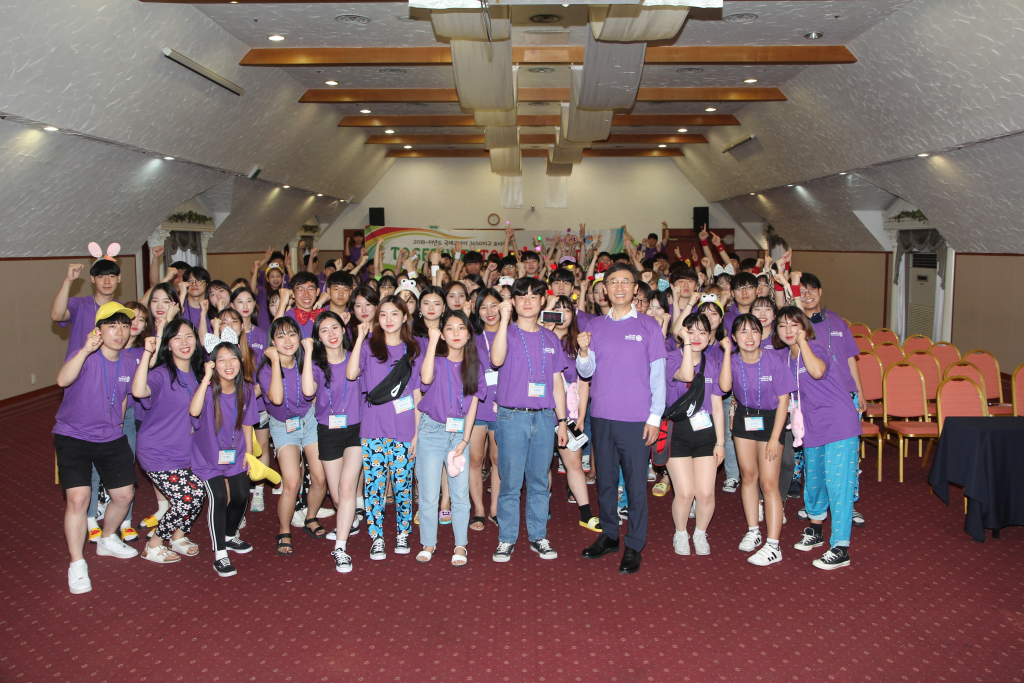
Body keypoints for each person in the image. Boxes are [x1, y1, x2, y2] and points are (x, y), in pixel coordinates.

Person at [576, 263, 666, 575]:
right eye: (613, 282)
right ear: (605, 288)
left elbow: (658, 376)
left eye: (625, 281)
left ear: (635, 288)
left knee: (636, 484)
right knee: (605, 480)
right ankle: (610, 535)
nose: (619, 287)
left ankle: (635, 544)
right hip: (602, 415)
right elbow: (586, 372)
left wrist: (655, 417)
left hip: (637, 419)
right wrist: (583, 352)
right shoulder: (595, 325)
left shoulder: (649, 326)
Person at [55, 302, 140, 594]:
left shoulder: (129, 362)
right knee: (79, 499)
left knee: (124, 495)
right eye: (112, 326)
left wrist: (117, 426)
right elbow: (62, 380)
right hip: (73, 436)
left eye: (124, 326)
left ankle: (106, 538)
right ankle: (77, 563)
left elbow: (123, 397)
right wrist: (84, 351)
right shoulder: (85, 356)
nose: (119, 332)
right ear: (99, 330)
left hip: (110, 436)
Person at [489, 278, 569, 563]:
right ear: (513, 301)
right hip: (512, 417)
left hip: (545, 418)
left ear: (543, 301)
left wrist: (562, 421)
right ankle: (506, 538)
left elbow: (557, 382)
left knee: (539, 482)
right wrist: (503, 320)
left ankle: (538, 536)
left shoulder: (551, 338)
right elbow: (496, 360)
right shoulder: (507, 332)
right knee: (510, 482)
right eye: (521, 296)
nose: (527, 301)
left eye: (534, 296)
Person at [775, 307, 860, 570]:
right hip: (811, 426)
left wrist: (803, 343)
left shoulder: (816, 347)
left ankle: (841, 547)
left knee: (838, 485)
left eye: (794, 325)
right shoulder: (784, 357)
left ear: (804, 328)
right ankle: (816, 530)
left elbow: (817, 372)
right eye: (782, 326)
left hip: (839, 424)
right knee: (814, 481)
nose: (788, 330)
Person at [347, 295, 423, 561]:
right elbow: (351, 374)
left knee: (403, 486)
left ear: (405, 317)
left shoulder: (413, 350)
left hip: (404, 427)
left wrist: (417, 434)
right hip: (373, 427)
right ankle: (376, 537)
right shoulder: (369, 346)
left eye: (394, 314)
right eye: (383, 314)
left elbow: (417, 394)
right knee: (375, 486)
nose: (389, 319)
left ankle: (403, 533)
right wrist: (359, 339)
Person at [719, 314, 795, 566]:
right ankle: (753, 530)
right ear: (734, 337)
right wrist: (727, 353)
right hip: (745, 418)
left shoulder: (774, 360)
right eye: (743, 332)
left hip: (772, 420)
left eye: (754, 331)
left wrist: (775, 437)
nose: (749, 337)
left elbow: (784, 401)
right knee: (749, 476)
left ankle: (774, 545)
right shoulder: (732, 360)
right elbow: (725, 387)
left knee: (769, 482)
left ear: (762, 335)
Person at [131, 319, 208, 563]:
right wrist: (147, 353)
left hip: (187, 450)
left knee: (198, 494)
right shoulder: (161, 374)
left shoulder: (199, 372)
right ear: (168, 344)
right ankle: (153, 545)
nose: (184, 342)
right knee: (187, 499)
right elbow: (138, 391)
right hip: (158, 451)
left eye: (189, 336)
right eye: (177, 338)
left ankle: (178, 537)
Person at [796, 272, 867, 527]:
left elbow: (850, 358)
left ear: (820, 292)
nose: (808, 294)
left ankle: (849, 504)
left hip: (846, 395)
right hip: (815, 398)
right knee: (815, 457)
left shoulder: (838, 322)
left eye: (812, 289)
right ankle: (816, 506)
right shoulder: (798, 326)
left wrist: (860, 392)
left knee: (847, 459)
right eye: (802, 291)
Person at [416, 310, 484, 566]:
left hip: (459, 435)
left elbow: (473, 405)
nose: (456, 333)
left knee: (460, 493)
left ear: (469, 334)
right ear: (442, 334)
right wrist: (432, 343)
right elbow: (425, 380)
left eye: (461, 328)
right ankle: (428, 543)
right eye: (450, 328)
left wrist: (465, 440)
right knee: (429, 493)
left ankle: (460, 545)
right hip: (431, 432)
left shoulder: (475, 365)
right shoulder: (435, 359)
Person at [189, 341, 258, 577]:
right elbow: (194, 411)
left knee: (241, 495)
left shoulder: (246, 389)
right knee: (219, 497)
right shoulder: (207, 390)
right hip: (208, 457)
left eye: (233, 358)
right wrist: (206, 379)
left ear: (241, 361)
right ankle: (220, 553)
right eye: (221, 359)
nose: (228, 364)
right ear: (213, 364)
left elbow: (247, 423)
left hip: (235, 452)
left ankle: (229, 535)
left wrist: (249, 453)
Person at [301, 311, 363, 573]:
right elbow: (307, 392)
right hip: (328, 432)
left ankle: (340, 548)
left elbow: (357, 377)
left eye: (335, 327)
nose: (331, 334)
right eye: (324, 330)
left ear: (343, 329)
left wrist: (359, 340)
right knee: (338, 497)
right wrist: (307, 353)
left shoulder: (357, 356)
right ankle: (349, 519)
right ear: (318, 337)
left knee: (347, 488)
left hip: (357, 430)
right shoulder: (316, 365)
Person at [258, 317, 324, 555]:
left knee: (320, 478)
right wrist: (276, 362)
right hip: (282, 427)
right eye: (280, 336)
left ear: (299, 337)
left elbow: (312, 393)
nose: (287, 341)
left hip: (309, 421)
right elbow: (276, 399)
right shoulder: (266, 370)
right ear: (272, 342)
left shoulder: (306, 362)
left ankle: (310, 516)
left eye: (292, 334)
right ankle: (284, 530)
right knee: (292, 483)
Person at [664, 313, 726, 557]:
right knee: (685, 493)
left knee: (706, 493)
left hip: (705, 432)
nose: (697, 336)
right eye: (691, 331)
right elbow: (687, 375)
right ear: (682, 334)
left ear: (710, 337)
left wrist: (720, 442)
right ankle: (680, 533)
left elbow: (717, 406)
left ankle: (700, 533)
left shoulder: (714, 364)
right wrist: (687, 345)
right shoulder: (671, 358)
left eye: (703, 332)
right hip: (676, 432)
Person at [544, 296, 601, 532]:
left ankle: (586, 513)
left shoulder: (578, 344)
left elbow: (584, 382)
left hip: (568, 412)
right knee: (542, 464)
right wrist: (544, 330)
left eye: (567, 310)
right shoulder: (539, 338)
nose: (562, 314)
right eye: (556, 309)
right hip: (541, 409)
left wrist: (581, 416)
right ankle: (541, 507)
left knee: (574, 464)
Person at [469, 288, 502, 529]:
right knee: (475, 459)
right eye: (483, 307)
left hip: (503, 406)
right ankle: (479, 510)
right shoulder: (470, 334)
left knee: (498, 459)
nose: (489, 312)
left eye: (493, 305)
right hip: (476, 405)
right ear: (476, 310)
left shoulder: (512, 332)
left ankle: (495, 509)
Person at [51, 256, 121, 361]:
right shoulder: (79, 304)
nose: (107, 281)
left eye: (112, 276)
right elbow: (57, 316)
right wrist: (69, 280)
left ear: (119, 278)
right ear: (92, 279)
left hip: (109, 368)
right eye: (101, 276)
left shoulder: (123, 310)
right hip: (78, 367)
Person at [277, 271, 325, 338]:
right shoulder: (287, 317)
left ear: (317, 292)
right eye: (300, 290)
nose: (306, 294)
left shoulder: (324, 316)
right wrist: (282, 303)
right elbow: (274, 335)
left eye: (310, 289)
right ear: (293, 294)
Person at [180, 266, 211, 333]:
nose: (194, 284)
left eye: (199, 281)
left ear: (207, 284)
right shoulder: (180, 306)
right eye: (190, 281)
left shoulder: (213, 307)